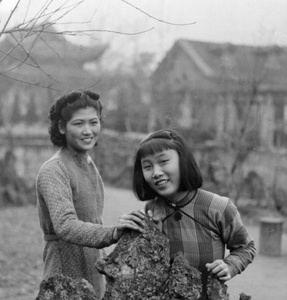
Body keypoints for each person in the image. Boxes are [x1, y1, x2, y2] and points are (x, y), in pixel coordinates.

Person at [36, 90, 145, 299]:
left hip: (93, 267)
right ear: (61, 127)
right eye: (78, 124)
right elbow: (65, 225)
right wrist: (112, 232)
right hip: (63, 269)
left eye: (93, 122)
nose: (88, 131)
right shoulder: (54, 170)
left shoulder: (87, 163)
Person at [132, 129, 256, 299]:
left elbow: (246, 247)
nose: (156, 172)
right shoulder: (151, 210)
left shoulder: (218, 207)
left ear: (183, 161)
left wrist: (230, 265)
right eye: (147, 166)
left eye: (164, 161)